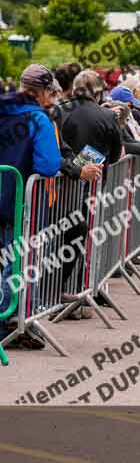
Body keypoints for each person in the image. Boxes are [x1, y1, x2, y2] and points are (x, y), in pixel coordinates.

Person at [0, 65, 62, 348]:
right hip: (17, 199)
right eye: (50, 92)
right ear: (42, 92)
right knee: (18, 261)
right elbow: (48, 165)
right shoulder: (38, 119)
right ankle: (12, 322)